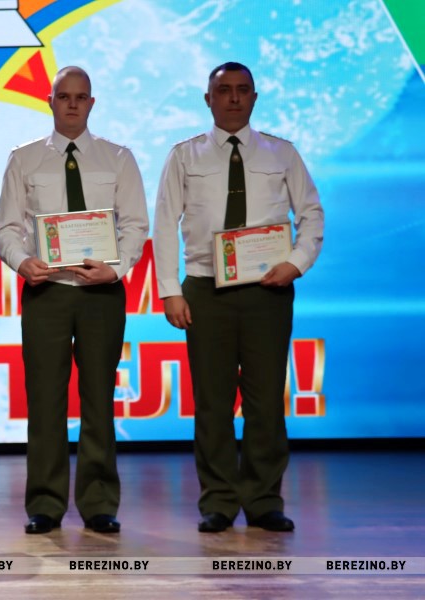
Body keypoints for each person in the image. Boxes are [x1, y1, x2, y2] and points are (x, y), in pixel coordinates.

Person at [153, 62, 324, 533]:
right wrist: (170, 291)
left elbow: (311, 214)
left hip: (268, 290)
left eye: (242, 90)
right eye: (223, 90)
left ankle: (265, 500)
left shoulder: (282, 152)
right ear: (207, 99)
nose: (233, 98)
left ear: (254, 97)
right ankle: (219, 501)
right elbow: (164, 223)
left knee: (266, 400)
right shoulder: (184, 155)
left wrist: (297, 263)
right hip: (205, 289)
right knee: (212, 401)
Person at [0, 66, 149, 534]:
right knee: (45, 401)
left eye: (81, 97)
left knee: (99, 399)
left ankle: (99, 503)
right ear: (51, 101)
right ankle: (45, 503)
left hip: (102, 292)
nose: (73, 104)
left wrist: (116, 269)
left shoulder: (118, 157)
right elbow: (6, 227)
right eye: (65, 96)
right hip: (48, 292)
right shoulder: (24, 159)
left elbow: (135, 224)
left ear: (92, 103)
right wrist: (22, 262)